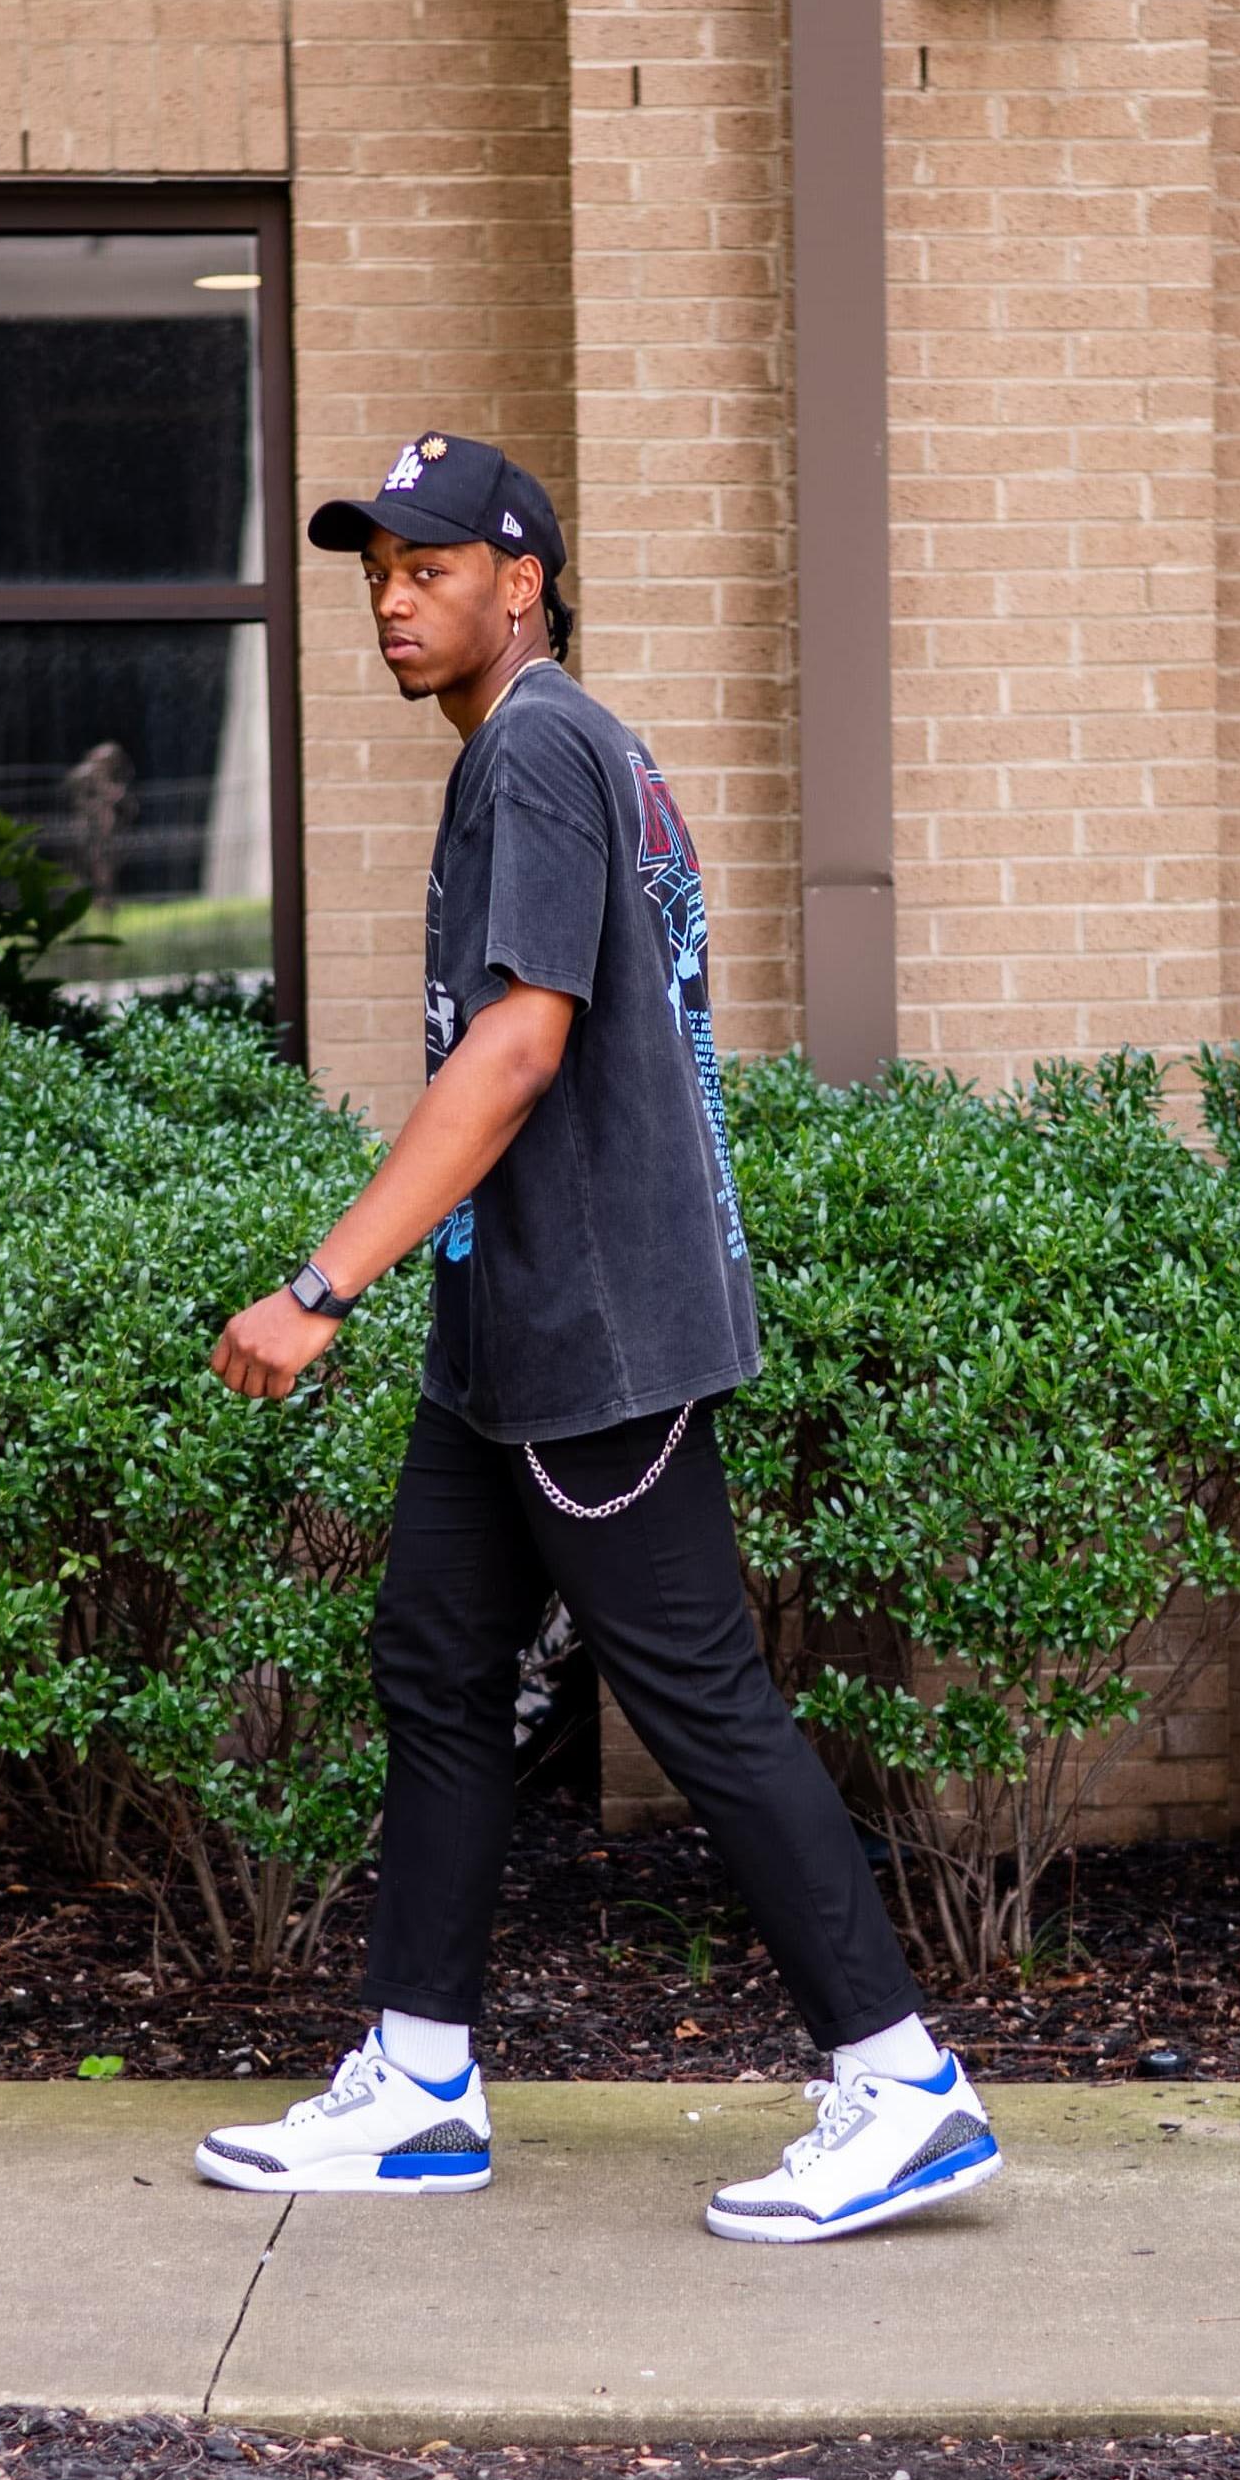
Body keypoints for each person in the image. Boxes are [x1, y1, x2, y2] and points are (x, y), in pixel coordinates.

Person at [186, 431, 1001, 2246]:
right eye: (373, 570)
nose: (392, 599)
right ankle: (417, 2082)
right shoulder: (535, 753)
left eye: (427, 565)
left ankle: (901, 2084)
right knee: (435, 1665)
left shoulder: (541, 747)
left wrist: (320, 1287)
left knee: (699, 1698)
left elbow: (519, 1045)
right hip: (514, 1327)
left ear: (520, 580)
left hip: (592, 1334)